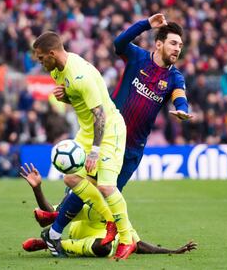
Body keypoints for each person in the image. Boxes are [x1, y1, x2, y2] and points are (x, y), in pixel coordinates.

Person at [45, 13, 193, 252]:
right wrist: (146, 24)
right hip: (108, 136)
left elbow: (180, 97)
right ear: (159, 43)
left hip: (133, 149)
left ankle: (62, 229)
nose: (177, 49)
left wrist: (182, 110)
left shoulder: (175, 77)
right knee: (90, 185)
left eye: (180, 46)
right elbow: (119, 44)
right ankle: (56, 231)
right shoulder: (137, 58)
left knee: (103, 197)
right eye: (173, 43)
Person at [33, 31, 135, 259]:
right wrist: (65, 98)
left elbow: (100, 115)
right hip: (87, 132)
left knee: (107, 187)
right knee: (71, 178)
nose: (40, 64)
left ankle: (126, 240)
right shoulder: (58, 71)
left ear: (52, 53)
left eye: (41, 59)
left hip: (109, 131)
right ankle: (110, 220)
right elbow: (80, 100)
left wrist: (95, 151)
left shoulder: (80, 75)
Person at [20, 163, 197, 257]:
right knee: (103, 246)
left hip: (94, 242)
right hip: (78, 230)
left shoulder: (117, 209)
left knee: (104, 248)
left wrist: (172, 251)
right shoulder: (87, 201)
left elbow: (138, 244)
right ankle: (53, 237)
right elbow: (50, 211)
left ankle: (48, 243)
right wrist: (37, 188)